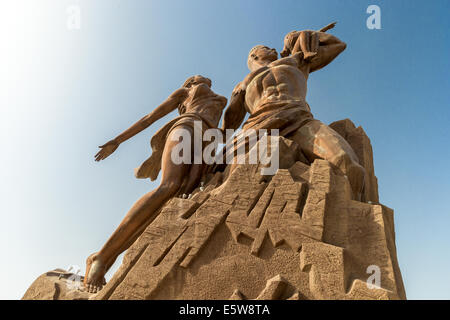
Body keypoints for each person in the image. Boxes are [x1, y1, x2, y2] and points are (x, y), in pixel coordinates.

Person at [84, 75, 227, 293]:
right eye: (196, 78)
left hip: (208, 141)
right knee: (169, 186)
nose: (203, 78)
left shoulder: (220, 98)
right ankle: (101, 257)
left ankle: (110, 257)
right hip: (187, 127)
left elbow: (230, 120)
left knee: (180, 198)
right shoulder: (185, 91)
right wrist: (118, 140)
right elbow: (149, 117)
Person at [222, 31, 365, 202]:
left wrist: (305, 34)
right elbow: (229, 126)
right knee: (238, 184)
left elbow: (338, 45)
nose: (273, 48)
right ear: (254, 55)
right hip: (257, 128)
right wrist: (235, 98)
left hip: (299, 119)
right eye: (266, 48)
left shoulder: (295, 60)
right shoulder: (243, 83)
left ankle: (349, 218)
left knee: (345, 161)